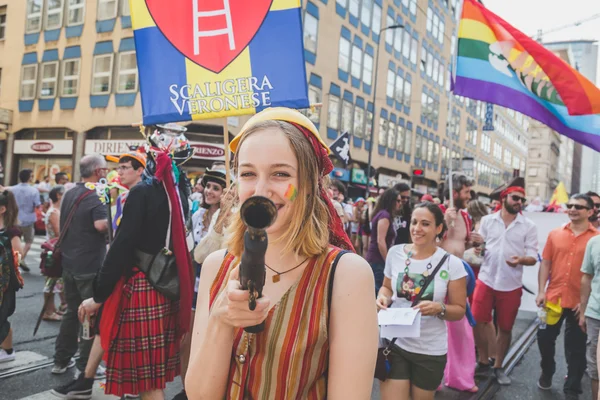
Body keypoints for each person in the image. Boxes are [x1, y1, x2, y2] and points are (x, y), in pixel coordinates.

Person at [185, 108, 377, 399]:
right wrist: (221, 320)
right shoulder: (216, 265)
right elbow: (200, 395)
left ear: (308, 185)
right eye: (248, 173)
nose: (261, 189)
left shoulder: (346, 275)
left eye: (280, 174)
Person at [75, 123, 194, 399]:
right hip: (164, 287)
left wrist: (98, 295)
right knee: (150, 380)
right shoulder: (177, 192)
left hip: (143, 286)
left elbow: (122, 246)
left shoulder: (144, 192)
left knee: (149, 384)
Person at [376, 202, 467, 400]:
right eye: (414, 222)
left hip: (429, 351)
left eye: (425, 224)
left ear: (439, 228)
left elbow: (459, 310)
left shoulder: (453, 264)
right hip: (395, 344)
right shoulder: (395, 253)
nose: (417, 229)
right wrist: (382, 297)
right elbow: (387, 287)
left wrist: (439, 308)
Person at [472, 177, 538, 385]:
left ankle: (499, 366)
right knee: (478, 320)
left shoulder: (528, 226)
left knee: (506, 327)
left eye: (522, 200)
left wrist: (522, 260)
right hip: (486, 279)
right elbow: (480, 249)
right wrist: (477, 247)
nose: (519, 202)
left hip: (511, 284)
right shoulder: (488, 221)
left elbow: (533, 256)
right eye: (516, 198)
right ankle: (483, 361)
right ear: (504, 197)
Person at [535, 194, 598, 399]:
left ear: (590, 212)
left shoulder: (596, 239)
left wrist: (586, 302)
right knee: (544, 339)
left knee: (576, 349)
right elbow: (545, 263)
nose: (572, 209)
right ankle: (548, 369)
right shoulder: (555, 234)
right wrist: (541, 290)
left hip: (579, 304)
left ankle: (572, 388)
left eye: (578, 207)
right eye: (570, 205)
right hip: (553, 299)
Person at [52, 155, 109, 376]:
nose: (106, 172)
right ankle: (86, 365)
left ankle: (61, 359)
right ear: (97, 171)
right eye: (104, 169)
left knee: (70, 313)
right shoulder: (97, 194)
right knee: (89, 315)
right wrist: (117, 218)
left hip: (69, 262)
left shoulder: (70, 192)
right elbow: (100, 225)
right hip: (90, 263)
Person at [438, 174, 483, 394]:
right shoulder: (435, 212)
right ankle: (433, 378)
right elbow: (424, 242)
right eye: (466, 191)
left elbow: (460, 247)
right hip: (436, 276)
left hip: (457, 278)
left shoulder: (465, 217)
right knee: (434, 329)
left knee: (461, 331)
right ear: (454, 192)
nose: (469, 195)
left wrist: (472, 243)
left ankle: (461, 378)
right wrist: (443, 223)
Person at [0, 190, 24, 363]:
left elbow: (19, 254)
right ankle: (7, 351)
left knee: (2, 315)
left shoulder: (11, 231)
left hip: (5, 281)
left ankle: (7, 351)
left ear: (2, 209)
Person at [366, 188, 401, 294]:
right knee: (377, 290)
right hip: (378, 259)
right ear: (391, 201)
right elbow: (380, 241)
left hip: (376, 258)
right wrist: (388, 261)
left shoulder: (383, 214)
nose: (400, 204)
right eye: (398, 201)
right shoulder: (384, 216)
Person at [580, 225, 600, 400]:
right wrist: (583, 312)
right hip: (595, 313)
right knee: (595, 366)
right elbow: (587, 276)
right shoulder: (594, 243)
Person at [42, 185, 67, 322]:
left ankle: (56, 308)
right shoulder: (54, 212)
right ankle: (49, 311)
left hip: (54, 250)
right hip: (54, 251)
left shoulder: (56, 211)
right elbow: (59, 233)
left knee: (55, 282)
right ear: (58, 195)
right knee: (51, 282)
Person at [9, 169, 41, 272]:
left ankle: (14, 259)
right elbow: (37, 205)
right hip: (28, 219)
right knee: (28, 241)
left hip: (14, 219)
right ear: (30, 177)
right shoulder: (34, 190)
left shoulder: (12, 189)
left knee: (13, 240)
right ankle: (21, 258)